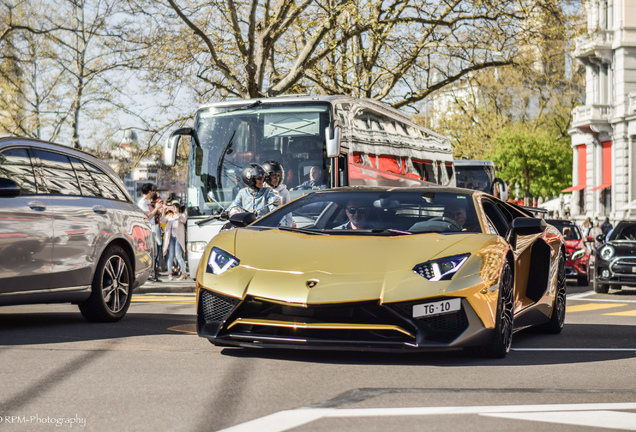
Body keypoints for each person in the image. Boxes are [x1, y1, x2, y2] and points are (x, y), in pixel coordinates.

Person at [138, 183, 162, 282]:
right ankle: (149, 275)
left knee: (154, 253)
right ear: (149, 192)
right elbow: (147, 216)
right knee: (151, 253)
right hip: (148, 230)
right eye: (152, 191)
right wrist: (156, 208)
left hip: (152, 229)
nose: (153, 193)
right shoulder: (142, 203)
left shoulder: (147, 202)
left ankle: (153, 274)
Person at [161, 200, 188, 281]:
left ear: (179, 207)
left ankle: (184, 273)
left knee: (178, 256)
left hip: (178, 238)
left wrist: (177, 213)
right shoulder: (169, 215)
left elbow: (184, 220)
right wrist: (163, 211)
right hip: (171, 238)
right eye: (173, 206)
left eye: (176, 206)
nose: (174, 208)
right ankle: (170, 274)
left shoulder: (181, 215)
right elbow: (162, 221)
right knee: (171, 256)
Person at [263, 160, 292, 227]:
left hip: (280, 228)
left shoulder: (284, 192)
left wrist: (288, 230)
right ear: (266, 177)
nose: (276, 178)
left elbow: (288, 214)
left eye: (278, 175)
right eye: (273, 175)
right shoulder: (261, 191)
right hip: (263, 228)